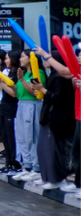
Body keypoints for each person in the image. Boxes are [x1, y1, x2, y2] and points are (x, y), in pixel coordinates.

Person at [30, 51, 75, 189]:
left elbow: (58, 98)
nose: (45, 59)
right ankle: (48, 177)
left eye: (49, 56)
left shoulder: (60, 77)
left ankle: (56, 179)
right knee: (44, 148)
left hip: (56, 118)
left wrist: (42, 89)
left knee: (54, 149)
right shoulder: (54, 76)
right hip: (50, 116)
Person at [12, 50, 46, 181]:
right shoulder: (25, 74)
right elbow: (17, 91)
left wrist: (21, 79)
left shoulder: (38, 73)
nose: (20, 59)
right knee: (22, 137)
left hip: (32, 105)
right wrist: (2, 83)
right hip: (21, 104)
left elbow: (34, 92)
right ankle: (27, 166)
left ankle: (36, 167)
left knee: (31, 136)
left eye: (22, 56)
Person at [0, 51, 20, 174]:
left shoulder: (18, 74)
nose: (5, 61)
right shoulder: (9, 72)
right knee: (4, 136)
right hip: (3, 106)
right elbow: (4, 90)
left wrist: (2, 84)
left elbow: (14, 93)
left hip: (12, 107)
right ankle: (8, 162)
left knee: (11, 137)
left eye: (7, 58)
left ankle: (14, 163)